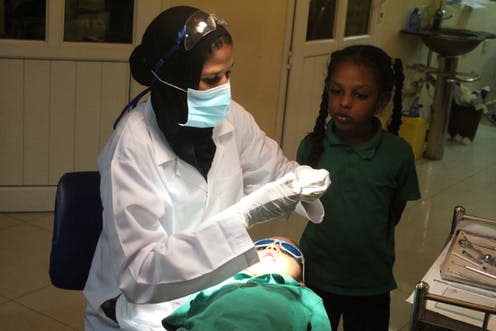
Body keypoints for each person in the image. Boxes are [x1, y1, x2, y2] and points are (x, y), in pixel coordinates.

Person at [83, 6, 330, 331]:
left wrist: (300, 183)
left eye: (229, 74)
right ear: (174, 79)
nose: (224, 89)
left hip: (215, 290)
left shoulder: (232, 118)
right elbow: (141, 274)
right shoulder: (131, 146)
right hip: (138, 309)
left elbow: (275, 172)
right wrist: (244, 217)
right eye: (212, 78)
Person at [297, 45, 421, 331]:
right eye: (336, 91)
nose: (345, 102)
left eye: (360, 95)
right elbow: (305, 205)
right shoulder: (312, 147)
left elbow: (393, 212)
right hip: (316, 275)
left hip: (370, 284)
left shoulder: (397, 154)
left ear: (382, 101)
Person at [162, 236, 332, 330]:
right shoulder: (221, 282)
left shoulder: (306, 297)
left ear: (301, 280)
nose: (273, 248)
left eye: (289, 250)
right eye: (262, 245)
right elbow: (177, 319)